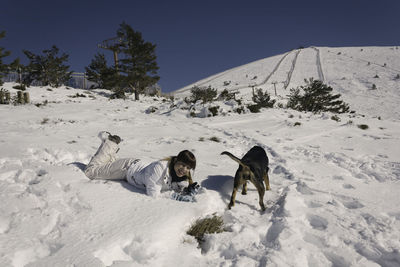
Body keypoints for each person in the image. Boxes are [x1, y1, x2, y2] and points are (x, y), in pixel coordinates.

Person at [84, 131, 200, 201]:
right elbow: (153, 194)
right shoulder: (160, 168)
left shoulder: (183, 175)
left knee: (107, 165)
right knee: (90, 172)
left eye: (188, 168)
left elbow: (178, 188)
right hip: (126, 168)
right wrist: (175, 197)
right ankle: (110, 142)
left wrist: (188, 191)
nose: (184, 170)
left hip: (138, 168)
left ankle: (111, 155)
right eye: (182, 165)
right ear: (176, 161)